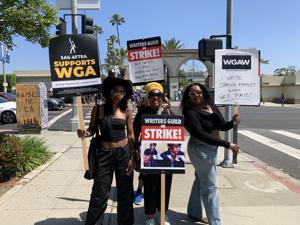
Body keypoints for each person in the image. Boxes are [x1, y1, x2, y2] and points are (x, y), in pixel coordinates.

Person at [77, 77, 135, 225]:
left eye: (121, 91)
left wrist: (132, 158)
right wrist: (84, 133)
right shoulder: (99, 109)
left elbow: (130, 135)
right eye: (115, 90)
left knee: (125, 193)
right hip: (104, 154)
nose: (118, 94)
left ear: (125, 94)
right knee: (99, 193)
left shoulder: (126, 110)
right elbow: (91, 130)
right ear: (109, 91)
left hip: (124, 153)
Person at [181, 83, 240, 225]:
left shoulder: (211, 106)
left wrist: (233, 122)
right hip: (200, 150)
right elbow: (200, 134)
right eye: (192, 93)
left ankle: (194, 213)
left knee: (201, 181)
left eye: (199, 92)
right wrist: (227, 144)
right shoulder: (189, 113)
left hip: (212, 148)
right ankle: (216, 222)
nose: (196, 95)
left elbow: (221, 126)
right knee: (211, 188)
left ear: (204, 93)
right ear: (188, 97)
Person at [133, 82, 174, 225]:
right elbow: (135, 134)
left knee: (165, 186)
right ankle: (150, 216)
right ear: (148, 98)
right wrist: (136, 149)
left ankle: (163, 214)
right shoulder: (142, 113)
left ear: (163, 97)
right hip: (149, 155)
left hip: (166, 157)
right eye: (152, 95)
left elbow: (178, 130)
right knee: (150, 187)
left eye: (158, 95)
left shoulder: (168, 113)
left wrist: (169, 111)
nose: (155, 98)